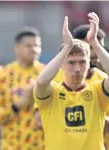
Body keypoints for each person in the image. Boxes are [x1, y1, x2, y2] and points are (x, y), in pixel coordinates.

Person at [34, 12, 109, 150]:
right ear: (61, 64)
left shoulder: (98, 91)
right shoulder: (52, 93)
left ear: (89, 63)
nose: (78, 69)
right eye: (71, 63)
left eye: (82, 62)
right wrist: (66, 49)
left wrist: (95, 43)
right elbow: (41, 83)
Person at [0, 27, 45, 150]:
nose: (34, 50)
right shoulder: (2, 74)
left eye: (37, 46)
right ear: (17, 48)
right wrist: (20, 104)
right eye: (29, 45)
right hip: (11, 146)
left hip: (42, 146)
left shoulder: (47, 74)